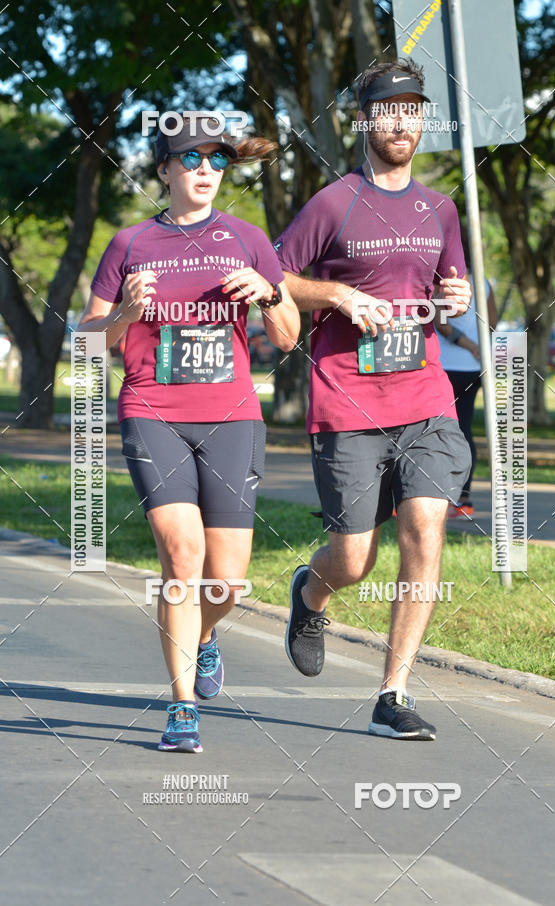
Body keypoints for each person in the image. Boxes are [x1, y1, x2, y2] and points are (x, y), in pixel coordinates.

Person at [78, 114, 300, 753]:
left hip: (232, 418)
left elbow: (286, 338)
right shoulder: (128, 244)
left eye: (218, 161)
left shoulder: (249, 238)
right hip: (152, 413)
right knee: (182, 555)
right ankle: (180, 709)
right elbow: (88, 346)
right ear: (164, 170)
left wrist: (266, 293)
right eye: (192, 159)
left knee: (227, 580)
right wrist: (125, 313)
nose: (206, 170)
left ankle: (205, 637)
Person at [274, 60, 472, 740]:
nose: (402, 123)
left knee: (425, 528)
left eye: (414, 110)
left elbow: (450, 292)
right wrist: (336, 294)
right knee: (355, 558)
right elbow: (273, 278)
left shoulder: (440, 210)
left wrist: (459, 299)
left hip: (425, 398)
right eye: (390, 110)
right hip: (348, 406)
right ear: (365, 121)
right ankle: (311, 591)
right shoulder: (332, 204)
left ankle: (394, 691)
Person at [437, 228, 498, 518]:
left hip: (448, 367)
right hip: (474, 368)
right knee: (464, 430)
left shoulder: (446, 285)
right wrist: (478, 346)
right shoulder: (483, 284)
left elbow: (442, 324)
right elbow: (493, 324)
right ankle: (463, 497)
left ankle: (451, 497)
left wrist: (468, 344)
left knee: (441, 432)